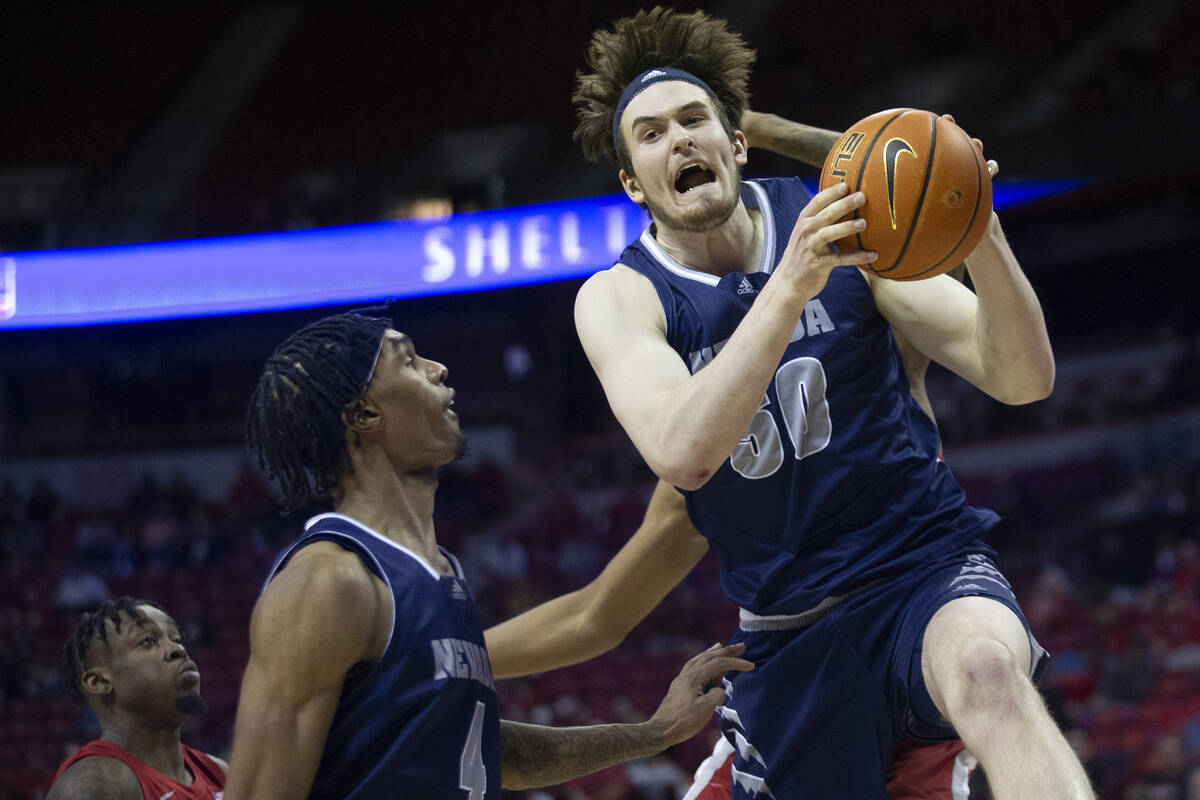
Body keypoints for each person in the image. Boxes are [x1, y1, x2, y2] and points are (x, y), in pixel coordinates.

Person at [567, 7, 1092, 798]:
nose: (677, 139)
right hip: (788, 629)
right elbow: (681, 450)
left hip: (920, 565)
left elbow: (1022, 378)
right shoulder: (619, 297)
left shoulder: (853, 226)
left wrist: (980, 231)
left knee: (989, 670)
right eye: (650, 134)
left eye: (694, 119)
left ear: (735, 143)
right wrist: (788, 287)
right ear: (632, 182)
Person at [485, 109, 978, 800]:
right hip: (803, 701)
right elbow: (597, 613)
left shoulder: (877, 320)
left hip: (907, 640)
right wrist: (455, 658)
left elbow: (912, 173)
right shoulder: (713, 459)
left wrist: (767, 130)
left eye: (695, 121)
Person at [224, 310, 752, 799]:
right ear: (363, 413)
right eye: (408, 361)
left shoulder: (440, 571)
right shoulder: (328, 580)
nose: (438, 368)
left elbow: (489, 749)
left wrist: (653, 732)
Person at [48, 596, 227, 800]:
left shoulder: (219, 773)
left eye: (176, 639)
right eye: (148, 641)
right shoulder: (91, 785)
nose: (179, 649)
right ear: (99, 681)